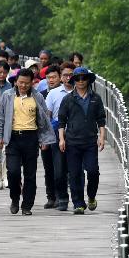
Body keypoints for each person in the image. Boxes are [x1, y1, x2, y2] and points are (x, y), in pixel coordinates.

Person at [0, 69, 56, 215]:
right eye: (20, 82)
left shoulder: (38, 97)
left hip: (31, 138)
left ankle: (27, 206)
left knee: (30, 174)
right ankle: (15, 199)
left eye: (26, 83)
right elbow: (0, 117)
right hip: (13, 138)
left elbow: (44, 120)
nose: (23, 85)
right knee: (13, 172)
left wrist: (45, 139)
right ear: (16, 82)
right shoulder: (7, 96)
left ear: (31, 83)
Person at [57, 66, 106, 215]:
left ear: (88, 80)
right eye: (77, 78)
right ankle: (78, 203)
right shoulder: (68, 99)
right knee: (75, 173)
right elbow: (61, 121)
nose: (81, 81)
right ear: (73, 81)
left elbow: (101, 120)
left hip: (90, 141)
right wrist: (61, 139)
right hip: (72, 141)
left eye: (84, 78)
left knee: (92, 171)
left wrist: (102, 137)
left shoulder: (95, 98)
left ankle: (91, 196)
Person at [45, 62, 74, 210]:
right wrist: (45, 137)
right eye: (65, 75)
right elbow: (46, 117)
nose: (68, 78)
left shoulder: (82, 92)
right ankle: (62, 197)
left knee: (76, 169)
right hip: (57, 133)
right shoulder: (53, 94)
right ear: (61, 77)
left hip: (76, 133)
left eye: (71, 75)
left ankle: (77, 199)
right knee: (59, 170)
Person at [38, 65, 63, 209]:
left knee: (59, 167)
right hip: (46, 135)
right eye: (48, 78)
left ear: (59, 77)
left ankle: (60, 196)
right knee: (48, 167)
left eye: (54, 77)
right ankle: (51, 197)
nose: (51, 80)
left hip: (60, 134)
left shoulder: (65, 92)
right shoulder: (41, 94)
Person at [0, 62, 12, 190]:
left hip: (6, 121)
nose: (2, 74)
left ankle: (5, 176)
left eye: (4, 72)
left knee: (5, 150)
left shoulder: (10, 87)